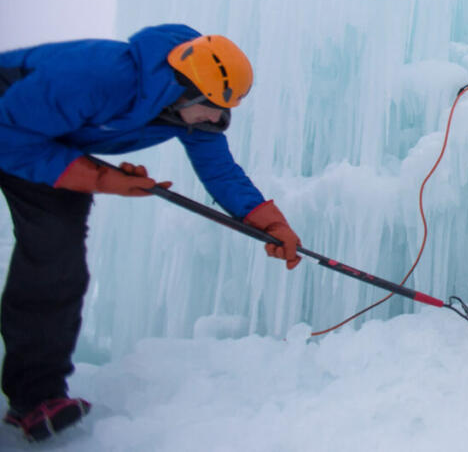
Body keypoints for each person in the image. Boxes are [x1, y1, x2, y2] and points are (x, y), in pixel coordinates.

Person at [0, 24, 301, 442]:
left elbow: (221, 171)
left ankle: (35, 399)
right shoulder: (101, 75)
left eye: (227, 109)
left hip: (46, 147)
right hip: (9, 123)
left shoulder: (192, 117)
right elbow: (8, 132)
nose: (219, 118)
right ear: (185, 91)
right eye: (213, 107)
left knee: (56, 257)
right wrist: (102, 178)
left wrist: (272, 224)